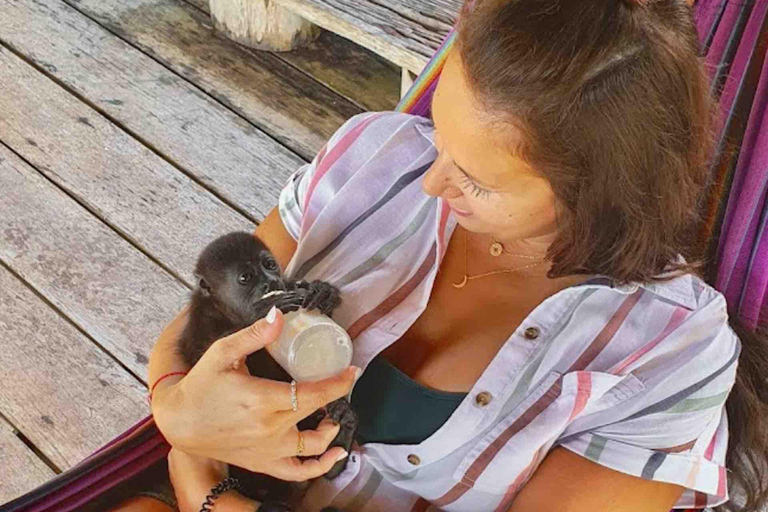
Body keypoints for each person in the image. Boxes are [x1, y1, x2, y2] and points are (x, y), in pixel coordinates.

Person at [112, 0, 768, 511]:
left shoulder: (670, 353)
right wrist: (174, 403)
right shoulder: (374, 154)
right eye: (441, 137)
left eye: (474, 180)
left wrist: (210, 496)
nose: (429, 181)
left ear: (598, 194)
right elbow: (217, 302)